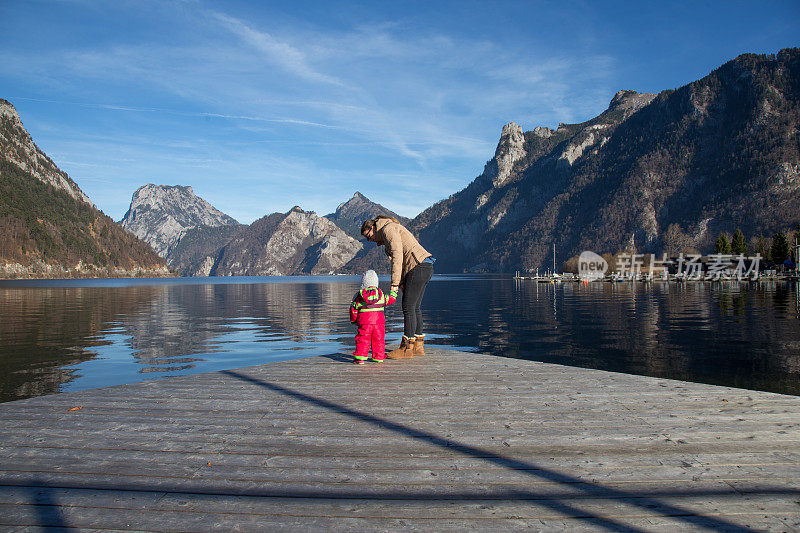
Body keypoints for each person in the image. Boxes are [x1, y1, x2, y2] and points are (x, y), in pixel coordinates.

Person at [360, 216, 434, 359]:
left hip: (418, 267)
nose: (370, 241)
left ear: (373, 228)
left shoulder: (388, 229)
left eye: (368, 236)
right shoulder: (390, 230)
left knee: (408, 307)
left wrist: (394, 285)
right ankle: (418, 346)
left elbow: (398, 257)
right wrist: (401, 282)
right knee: (415, 307)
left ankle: (406, 348)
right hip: (425, 266)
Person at [350, 269, 396, 364]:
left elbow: (353, 309)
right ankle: (378, 357)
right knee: (379, 340)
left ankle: (360, 358)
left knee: (362, 339)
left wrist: (354, 320)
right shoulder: (381, 295)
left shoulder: (359, 296)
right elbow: (390, 299)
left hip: (364, 323)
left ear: (363, 283)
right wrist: (393, 293)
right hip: (379, 323)